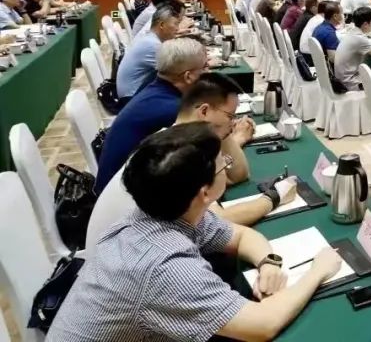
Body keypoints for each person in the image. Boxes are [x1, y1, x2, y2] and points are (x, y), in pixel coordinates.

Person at [49, 123, 343, 342]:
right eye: (224, 164)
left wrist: (269, 261)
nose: (227, 165)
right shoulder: (165, 267)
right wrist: (318, 271)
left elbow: (241, 236)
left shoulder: (163, 211)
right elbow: (264, 325)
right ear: (205, 192)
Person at [87, 75, 274, 245]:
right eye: (230, 116)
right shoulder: (177, 152)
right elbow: (220, 221)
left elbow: (239, 174)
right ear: (204, 111)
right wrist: (273, 197)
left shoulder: (179, 136)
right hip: (126, 249)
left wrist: (224, 133)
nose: (233, 123)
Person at [95, 38, 211, 193]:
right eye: (205, 67)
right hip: (123, 198)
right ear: (188, 76)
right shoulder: (172, 111)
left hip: (117, 187)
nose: (209, 72)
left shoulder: (152, 84)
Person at [116, 5, 180, 100]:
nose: (178, 29)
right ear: (162, 25)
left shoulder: (149, 38)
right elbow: (176, 71)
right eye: (175, 24)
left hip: (132, 92)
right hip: (130, 98)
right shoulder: (152, 45)